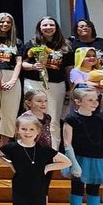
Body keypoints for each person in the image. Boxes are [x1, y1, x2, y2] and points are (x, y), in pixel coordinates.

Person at [20, 16, 73, 148]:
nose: (48, 28)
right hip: (34, 83)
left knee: (53, 118)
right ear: (39, 28)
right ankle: (31, 147)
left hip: (57, 84)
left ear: (56, 28)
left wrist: (71, 88)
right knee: (33, 116)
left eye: (51, 25)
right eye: (45, 25)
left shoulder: (64, 45)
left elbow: (68, 68)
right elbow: (22, 64)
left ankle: (52, 150)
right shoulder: (32, 44)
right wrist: (33, 66)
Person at [20, 87, 61, 205]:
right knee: (31, 191)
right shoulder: (26, 118)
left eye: (45, 101)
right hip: (31, 157)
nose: (43, 104)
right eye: (39, 101)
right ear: (28, 103)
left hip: (45, 156)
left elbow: (47, 136)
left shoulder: (47, 117)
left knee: (44, 191)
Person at [0, 12, 23, 144]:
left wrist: (13, 80)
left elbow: (19, 62)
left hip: (11, 76)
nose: (5, 24)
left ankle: (5, 147)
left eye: (8, 22)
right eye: (2, 22)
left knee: (9, 113)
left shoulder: (16, 42)